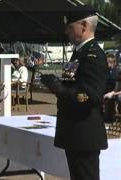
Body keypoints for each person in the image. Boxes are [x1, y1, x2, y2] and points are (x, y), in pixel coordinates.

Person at [40, 8, 108, 180]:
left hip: (84, 133)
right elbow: (74, 85)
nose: (66, 31)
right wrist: (56, 84)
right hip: (75, 133)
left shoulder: (93, 55)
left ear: (84, 26)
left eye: (69, 27)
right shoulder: (79, 53)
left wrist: (59, 89)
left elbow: (91, 95)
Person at [103, 54, 119, 123]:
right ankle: (107, 117)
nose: (109, 64)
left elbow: (117, 84)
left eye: (110, 62)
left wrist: (113, 92)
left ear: (114, 62)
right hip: (106, 90)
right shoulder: (105, 71)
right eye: (107, 62)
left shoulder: (117, 71)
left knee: (110, 101)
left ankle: (110, 117)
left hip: (114, 91)